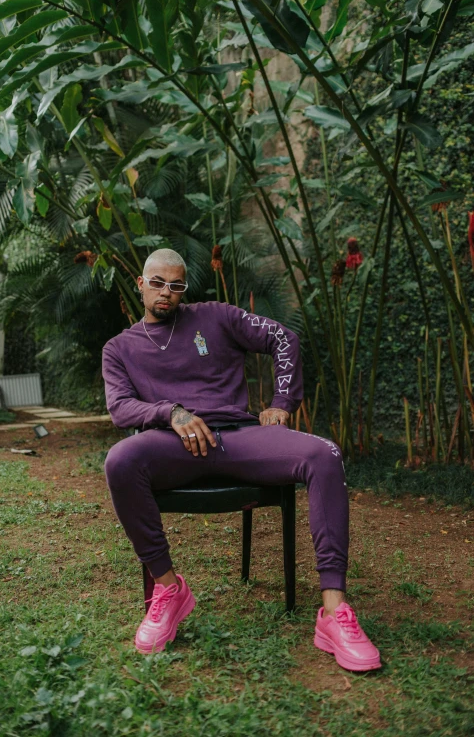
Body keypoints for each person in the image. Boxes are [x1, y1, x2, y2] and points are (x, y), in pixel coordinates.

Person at [102, 249, 381, 672]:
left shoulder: (215, 316)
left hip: (240, 437)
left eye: (176, 285)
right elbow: (121, 408)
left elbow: (284, 338)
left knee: (324, 454)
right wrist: (171, 412)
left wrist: (282, 402)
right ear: (141, 284)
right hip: (172, 444)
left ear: (184, 289)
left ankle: (333, 612)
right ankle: (168, 588)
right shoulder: (119, 348)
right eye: (157, 282)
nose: (166, 292)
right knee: (120, 460)